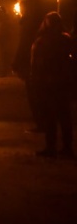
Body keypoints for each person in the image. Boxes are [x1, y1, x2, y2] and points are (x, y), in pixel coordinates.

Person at [29, 12, 73, 157]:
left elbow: (36, 63)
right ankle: (67, 148)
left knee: (50, 116)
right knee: (64, 116)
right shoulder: (66, 39)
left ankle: (51, 147)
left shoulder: (42, 42)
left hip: (47, 82)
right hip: (62, 82)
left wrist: (35, 80)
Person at [13, 0, 46, 133]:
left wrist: (16, 62)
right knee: (37, 95)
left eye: (21, 7)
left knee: (35, 95)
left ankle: (41, 124)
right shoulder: (37, 21)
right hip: (35, 63)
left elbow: (24, 44)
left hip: (32, 63)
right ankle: (43, 123)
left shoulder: (28, 23)